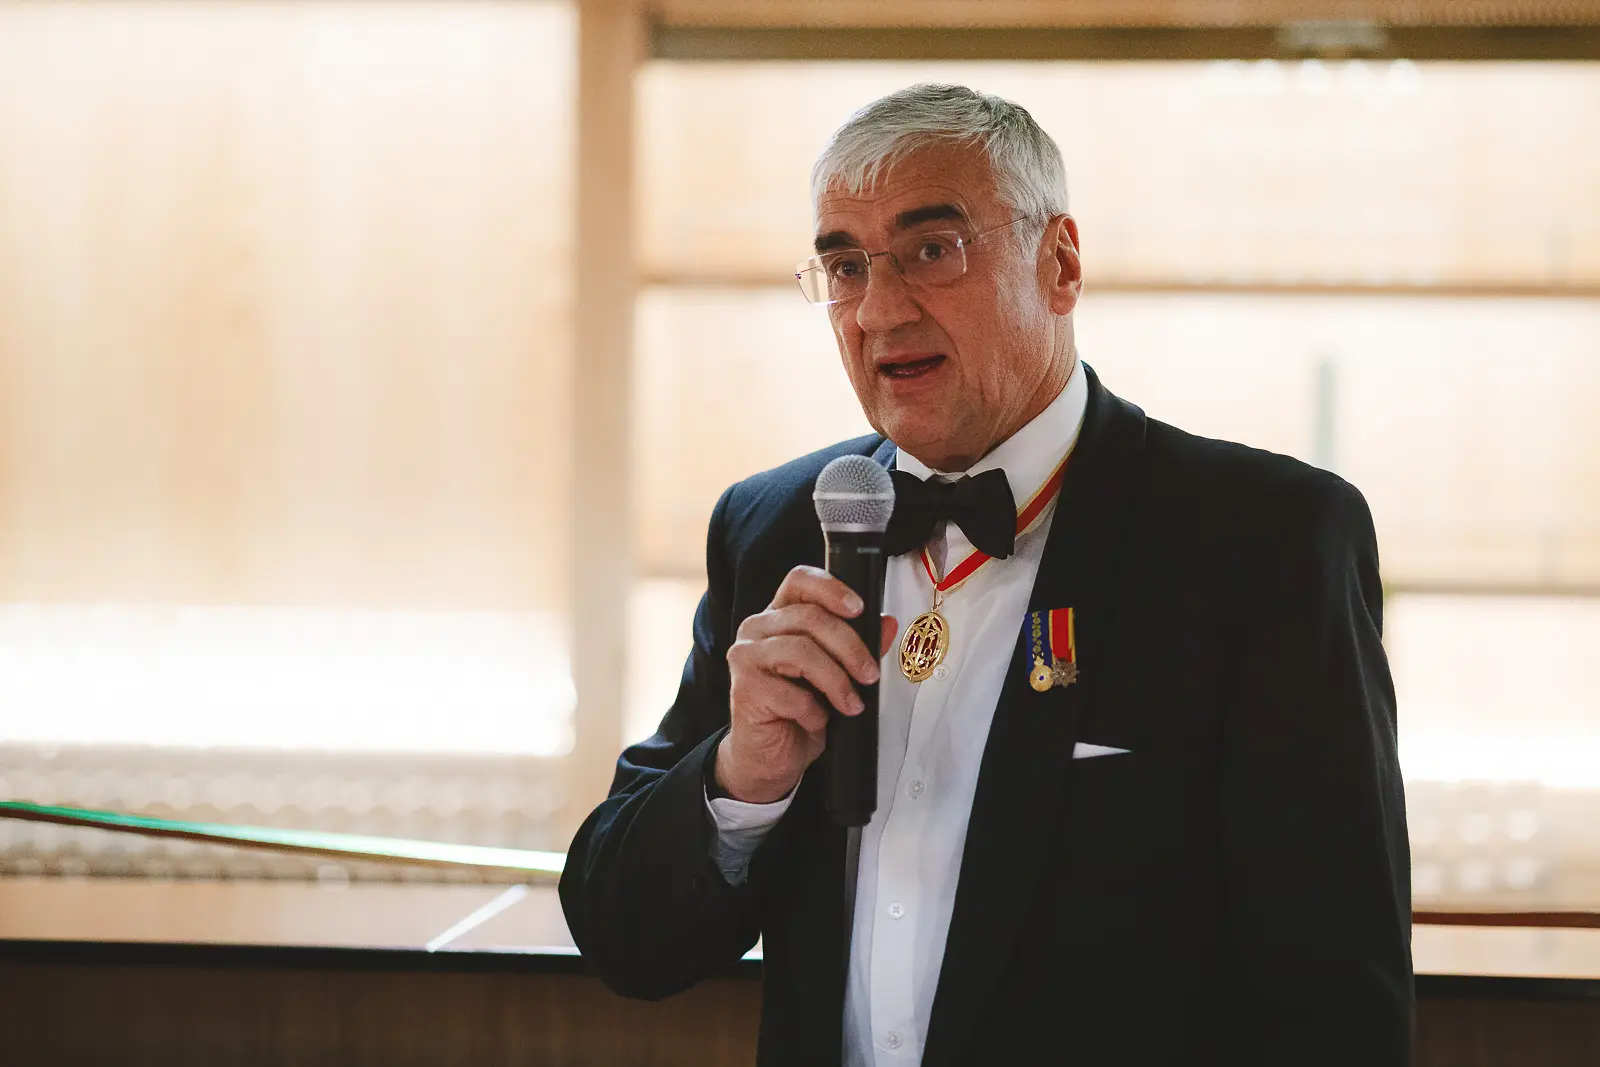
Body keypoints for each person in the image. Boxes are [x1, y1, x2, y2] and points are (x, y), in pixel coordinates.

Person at [560, 84, 1413, 1067]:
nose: (879, 309)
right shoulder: (773, 527)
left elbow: (1337, 997)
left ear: (1059, 263)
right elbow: (625, 936)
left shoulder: (1263, 541)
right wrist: (740, 778)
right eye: (844, 264)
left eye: (932, 249)